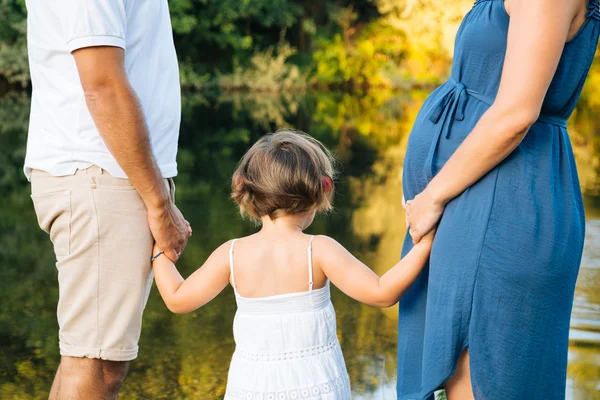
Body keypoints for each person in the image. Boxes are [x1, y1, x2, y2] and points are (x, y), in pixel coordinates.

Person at [398, 0, 599, 399]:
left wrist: (433, 196)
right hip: (472, 201)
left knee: (485, 376)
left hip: (500, 206)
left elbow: (515, 114)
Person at [151, 130, 435, 399]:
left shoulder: (232, 254)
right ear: (319, 191)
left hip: (251, 387)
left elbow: (177, 299)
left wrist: (159, 251)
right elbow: (382, 292)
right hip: (314, 386)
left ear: (246, 190)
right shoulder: (318, 250)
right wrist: (425, 244)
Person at [24, 1, 190, 398]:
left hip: (109, 171)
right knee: (95, 365)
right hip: (100, 172)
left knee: (96, 360)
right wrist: (158, 202)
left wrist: (157, 191)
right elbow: (101, 86)